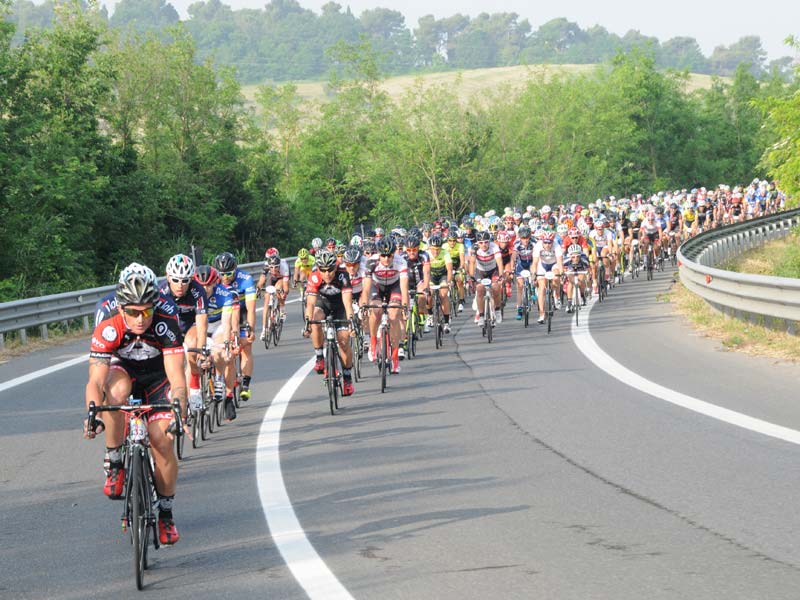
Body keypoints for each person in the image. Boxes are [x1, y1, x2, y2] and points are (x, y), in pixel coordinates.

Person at [84, 263, 186, 546]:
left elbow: (177, 376)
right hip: (124, 371)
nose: (140, 319)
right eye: (132, 312)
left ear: (155, 306)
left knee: (161, 440)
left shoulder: (166, 320)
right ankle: (115, 461)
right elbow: (95, 380)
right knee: (114, 391)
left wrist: (179, 406)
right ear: (121, 307)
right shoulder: (108, 324)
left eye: (146, 311)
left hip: (158, 378)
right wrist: (93, 412)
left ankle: (166, 514)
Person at [303, 250, 356, 396]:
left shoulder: (342, 275)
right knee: (315, 318)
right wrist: (307, 323)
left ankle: (347, 378)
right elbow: (310, 304)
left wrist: (351, 321)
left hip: (340, 306)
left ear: (335, 267)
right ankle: (319, 356)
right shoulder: (314, 277)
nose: (327, 274)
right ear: (318, 269)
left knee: (344, 341)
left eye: (330, 269)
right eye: (323, 270)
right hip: (323, 303)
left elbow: (347, 302)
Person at [160, 254, 208, 412]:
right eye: (175, 280)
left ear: (191, 279)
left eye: (185, 280)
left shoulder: (197, 290)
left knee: (193, 344)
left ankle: (194, 386)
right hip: (168, 329)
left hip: (189, 326)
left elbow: (202, 322)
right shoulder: (160, 291)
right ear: (168, 276)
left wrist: (201, 349)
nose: (180, 285)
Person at [214, 252, 256, 401]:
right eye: (222, 274)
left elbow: (251, 309)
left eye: (229, 274)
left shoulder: (246, 279)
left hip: (242, 311)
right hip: (224, 313)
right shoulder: (215, 281)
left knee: (246, 347)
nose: (225, 278)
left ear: (236, 269)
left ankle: (245, 384)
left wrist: (250, 328)